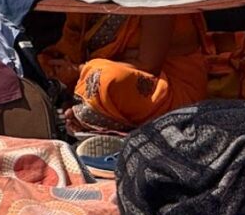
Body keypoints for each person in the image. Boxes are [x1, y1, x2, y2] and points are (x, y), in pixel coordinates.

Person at [40, 12, 209, 131]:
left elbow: (148, 66)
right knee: (42, 62)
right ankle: (92, 106)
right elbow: (72, 42)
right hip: (113, 73)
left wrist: (80, 70)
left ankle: (92, 112)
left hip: (166, 89)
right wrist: (63, 63)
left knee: (105, 78)